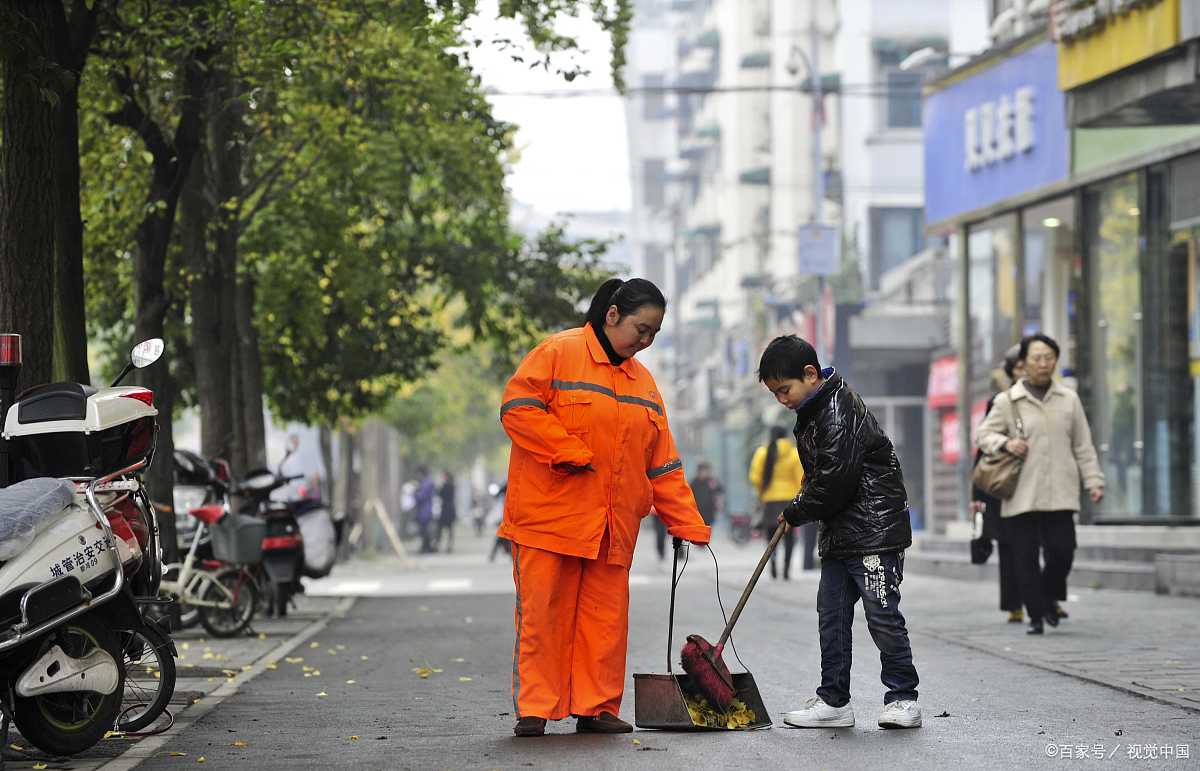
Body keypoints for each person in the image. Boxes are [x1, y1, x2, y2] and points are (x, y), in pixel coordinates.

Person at [498, 277, 711, 737]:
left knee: (605, 622)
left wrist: (688, 522)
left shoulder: (644, 383)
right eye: (641, 328)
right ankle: (535, 709)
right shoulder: (558, 353)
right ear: (612, 315)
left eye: (654, 333)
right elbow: (517, 408)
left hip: (613, 527)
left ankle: (595, 708)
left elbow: (662, 462)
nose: (645, 341)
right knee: (544, 618)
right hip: (549, 521)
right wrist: (564, 448)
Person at [758, 335, 921, 730]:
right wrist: (803, 501)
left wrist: (796, 511)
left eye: (785, 389)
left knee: (882, 615)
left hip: (874, 533)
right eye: (775, 394)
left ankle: (903, 699)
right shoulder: (814, 410)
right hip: (841, 533)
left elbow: (833, 481)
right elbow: (822, 475)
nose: (782, 399)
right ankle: (834, 701)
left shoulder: (837, 410)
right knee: (831, 618)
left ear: (810, 374)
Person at [976, 333, 1104, 635]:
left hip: (1061, 491)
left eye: (1049, 358)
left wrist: (1093, 481)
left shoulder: (1069, 400)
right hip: (1021, 492)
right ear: (1025, 362)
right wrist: (1006, 443)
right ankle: (1035, 615)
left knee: (1063, 549)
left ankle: (1048, 595)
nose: (1043, 363)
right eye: (1036, 358)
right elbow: (984, 435)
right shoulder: (1008, 400)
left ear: (1055, 361)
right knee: (1025, 557)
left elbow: (1083, 445)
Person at [972, 346, 1026, 623]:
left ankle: (1047, 598)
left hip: (1034, 481)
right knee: (1008, 546)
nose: (1025, 372)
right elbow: (983, 448)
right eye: (1019, 367)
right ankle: (1015, 605)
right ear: (1010, 371)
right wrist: (976, 493)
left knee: (1038, 542)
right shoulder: (1000, 402)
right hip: (1002, 483)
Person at [749, 426, 808, 578]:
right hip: (789, 499)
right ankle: (786, 569)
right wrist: (797, 496)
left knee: (770, 534)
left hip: (770, 500)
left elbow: (755, 477)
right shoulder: (794, 454)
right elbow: (801, 478)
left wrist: (763, 492)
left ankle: (773, 563)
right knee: (789, 536)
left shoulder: (763, 453)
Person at [689, 461, 724, 527]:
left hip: (709, 511)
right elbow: (689, 494)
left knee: (707, 528)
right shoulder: (695, 482)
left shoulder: (711, 481)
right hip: (698, 511)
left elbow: (720, 490)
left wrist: (715, 486)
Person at [413, 467, 436, 554]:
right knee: (424, 530)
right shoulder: (427, 482)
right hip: (425, 510)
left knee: (424, 531)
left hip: (425, 511)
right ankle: (426, 546)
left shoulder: (426, 483)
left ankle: (426, 547)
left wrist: (414, 491)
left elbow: (421, 496)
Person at [436, 472, 457, 553]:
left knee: (445, 529)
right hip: (447, 509)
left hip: (447, 510)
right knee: (444, 529)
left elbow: (440, 494)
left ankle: (446, 545)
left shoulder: (449, 486)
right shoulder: (451, 486)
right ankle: (441, 545)